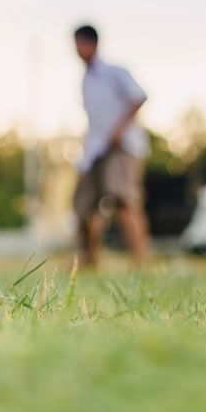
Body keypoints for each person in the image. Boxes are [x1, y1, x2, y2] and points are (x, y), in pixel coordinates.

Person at [72, 23, 150, 267]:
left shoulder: (115, 72)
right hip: (95, 149)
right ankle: (89, 260)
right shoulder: (85, 80)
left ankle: (140, 260)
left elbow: (139, 96)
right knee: (85, 205)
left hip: (121, 145)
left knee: (123, 199)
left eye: (79, 43)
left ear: (90, 43)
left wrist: (119, 128)